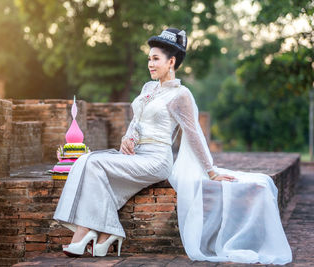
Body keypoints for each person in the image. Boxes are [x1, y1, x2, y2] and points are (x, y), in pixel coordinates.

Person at [53, 28, 292, 264]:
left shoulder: (181, 95)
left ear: (172, 62)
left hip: (156, 160)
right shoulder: (148, 88)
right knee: (85, 160)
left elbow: (194, 134)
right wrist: (127, 139)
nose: (150, 64)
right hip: (135, 155)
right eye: (149, 59)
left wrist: (211, 171)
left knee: (92, 162)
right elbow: (136, 121)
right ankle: (105, 234)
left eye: (156, 59)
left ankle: (85, 233)